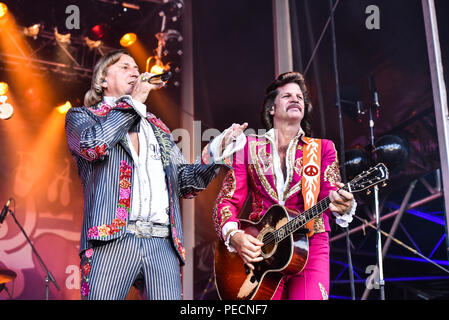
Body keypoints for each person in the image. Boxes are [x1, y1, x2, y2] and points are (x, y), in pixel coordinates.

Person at [65, 49, 246, 300]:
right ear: (102, 81)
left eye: (136, 68)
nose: (135, 72)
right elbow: (93, 145)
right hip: (111, 240)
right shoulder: (83, 117)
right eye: (125, 67)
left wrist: (215, 152)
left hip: (162, 243)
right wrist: (134, 104)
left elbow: (184, 183)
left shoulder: (157, 127)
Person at [212, 71, 356, 300]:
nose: (296, 99)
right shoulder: (247, 147)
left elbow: (331, 195)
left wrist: (343, 204)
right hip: (261, 252)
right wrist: (236, 237)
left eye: (300, 97)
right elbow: (226, 201)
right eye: (287, 95)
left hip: (311, 244)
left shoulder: (323, 149)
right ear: (272, 108)